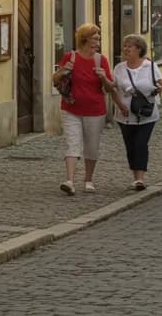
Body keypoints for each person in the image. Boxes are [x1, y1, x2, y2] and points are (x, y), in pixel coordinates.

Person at [52, 24, 116, 195]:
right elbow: (55, 79)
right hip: (71, 108)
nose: (98, 41)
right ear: (84, 39)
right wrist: (65, 70)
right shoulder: (70, 57)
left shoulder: (100, 60)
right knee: (72, 143)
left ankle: (88, 179)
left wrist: (103, 77)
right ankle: (70, 180)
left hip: (95, 110)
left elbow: (110, 88)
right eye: (95, 38)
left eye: (98, 38)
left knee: (92, 146)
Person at [111, 34, 162, 191]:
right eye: (125, 46)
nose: (126, 49)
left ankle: (140, 179)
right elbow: (112, 90)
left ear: (139, 49)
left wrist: (157, 89)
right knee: (130, 145)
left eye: (130, 46)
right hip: (125, 114)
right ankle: (135, 176)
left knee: (141, 143)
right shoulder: (119, 68)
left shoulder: (150, 66)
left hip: (147, 113)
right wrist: (120, 105)